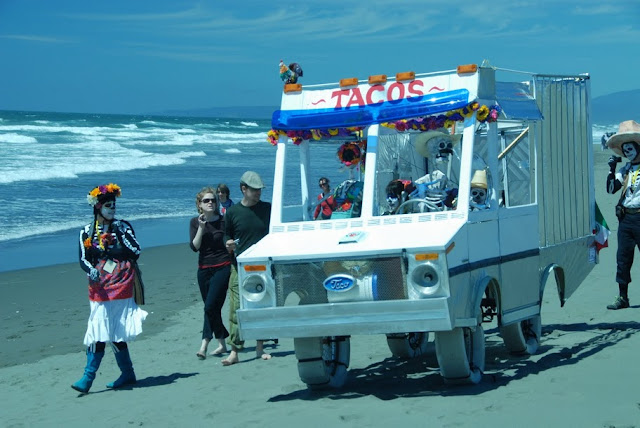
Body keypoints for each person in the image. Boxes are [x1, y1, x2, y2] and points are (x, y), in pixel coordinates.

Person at [72, 183, 147, 394]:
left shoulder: (123, 226)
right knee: (99, 327)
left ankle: (101, 376)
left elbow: (136, 251)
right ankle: (92, 376)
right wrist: (91, 270)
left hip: (121, 284)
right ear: (97, 207)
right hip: (99, 288)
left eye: (113, 205)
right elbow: (83, 260)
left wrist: (119, 238)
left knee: (115, 331)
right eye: (107, 205)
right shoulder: (86, 232)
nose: (112, 208)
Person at [222, 171, 272, 366]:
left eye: (260, 189)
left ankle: (260, 348)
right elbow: (226, 234)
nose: (258, 193)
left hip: (263, 266)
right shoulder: (233, 212)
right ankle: (234, 351)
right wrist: (228, 244)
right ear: (244, 189)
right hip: (239, 266)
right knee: (236, 309)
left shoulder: (268, 209)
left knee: (261, 305)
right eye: (254, 189)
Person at [190, 188, 231, 359]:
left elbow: (230, 242)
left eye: (213, 200)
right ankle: (222, 343)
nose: (210, 203)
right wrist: (201, 227)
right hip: (203, 269)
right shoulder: (194, 222)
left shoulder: (224, 221)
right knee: (212, 308)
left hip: (223, 266)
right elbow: (195, 247)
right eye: (206, 200)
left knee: (210, 306)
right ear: (199, 204)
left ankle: (204, 343)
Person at [606, 120, 640, 310]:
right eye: (625, 149)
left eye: (630, 147)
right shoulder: (625, 170)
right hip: (626, 219)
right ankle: (623, 297)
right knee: (623, 258)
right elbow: (611, 190)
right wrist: (611, 170)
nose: (628, 151)